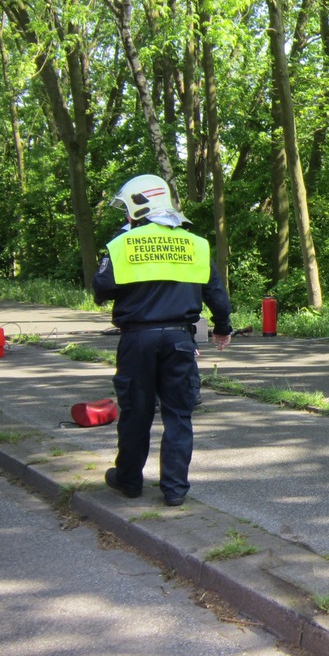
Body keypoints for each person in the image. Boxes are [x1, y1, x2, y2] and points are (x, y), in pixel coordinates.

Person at [93, 175, 232, 506]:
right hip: (180, 340)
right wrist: (222, 326)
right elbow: (216, 292)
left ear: (136, 210)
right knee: (178, 414)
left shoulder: (123, 243)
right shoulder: (195, 243)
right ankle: (174, 489)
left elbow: (101, 289)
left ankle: (128, 480)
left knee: (135, 413)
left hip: (137, 340)